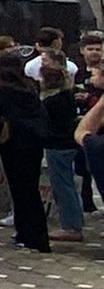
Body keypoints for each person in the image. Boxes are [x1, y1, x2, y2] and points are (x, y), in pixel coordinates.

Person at [0, 53, 53, 253]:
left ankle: (29, 235)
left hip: (13, 146)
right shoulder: (29, 88)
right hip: (33, 145)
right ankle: (33, 235)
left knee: (20, 192)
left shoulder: (3, 92)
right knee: (30, 191)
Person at [39, 61, 84, 241]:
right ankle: (72, 222)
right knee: (67, 184)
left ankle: (72, 226)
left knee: (63, 186)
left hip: (58, 146)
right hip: (68, 144)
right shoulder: (69, 96)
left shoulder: (52, 102)